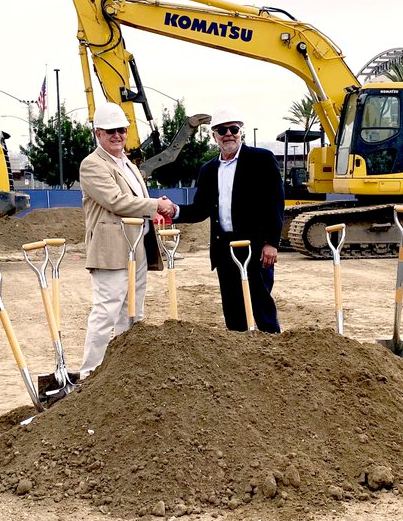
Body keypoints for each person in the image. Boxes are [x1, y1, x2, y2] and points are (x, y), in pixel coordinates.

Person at [79, 101, 176, 375]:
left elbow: (137, 199)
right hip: (112, 250)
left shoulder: (129, 165)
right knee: (106, 312)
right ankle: (90, 372)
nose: (117, 136)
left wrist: (154, 204)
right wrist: (155, 205)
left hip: (138, 247)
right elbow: (116, 201)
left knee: (133, 313)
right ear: (98, 134)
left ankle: (121, 373)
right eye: (110, 131)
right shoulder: (92, 165)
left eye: (121, 130)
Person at [172, 105, 285, 332]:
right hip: (225, 251)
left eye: (234, 129)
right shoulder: (209, 169)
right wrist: (174, 211)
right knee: (233, 311)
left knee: (261, 306)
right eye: (222, 131)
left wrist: (272, 242)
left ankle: (272, 357)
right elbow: (200, 209)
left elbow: (275, 202)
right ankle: (238, 360)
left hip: (255, 248)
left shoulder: (261, 159)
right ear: (214, 135)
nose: (229, 134)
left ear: (240, 131)